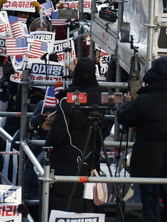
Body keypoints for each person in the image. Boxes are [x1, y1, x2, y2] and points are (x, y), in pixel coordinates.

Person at [46, 57, 104, 212]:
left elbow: (57, 134)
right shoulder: (103, 98)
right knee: (89, 202)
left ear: (75, 75)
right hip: (93, 156)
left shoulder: (68, 100)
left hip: (67, 159)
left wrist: (47, 144)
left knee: (67, 204)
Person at [117, 57, 167, 222]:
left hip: (148, 160)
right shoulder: (145, 100)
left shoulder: (145, 101)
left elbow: (126, 118)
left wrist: (124, 104)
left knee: (149, 204)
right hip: (157, 159)